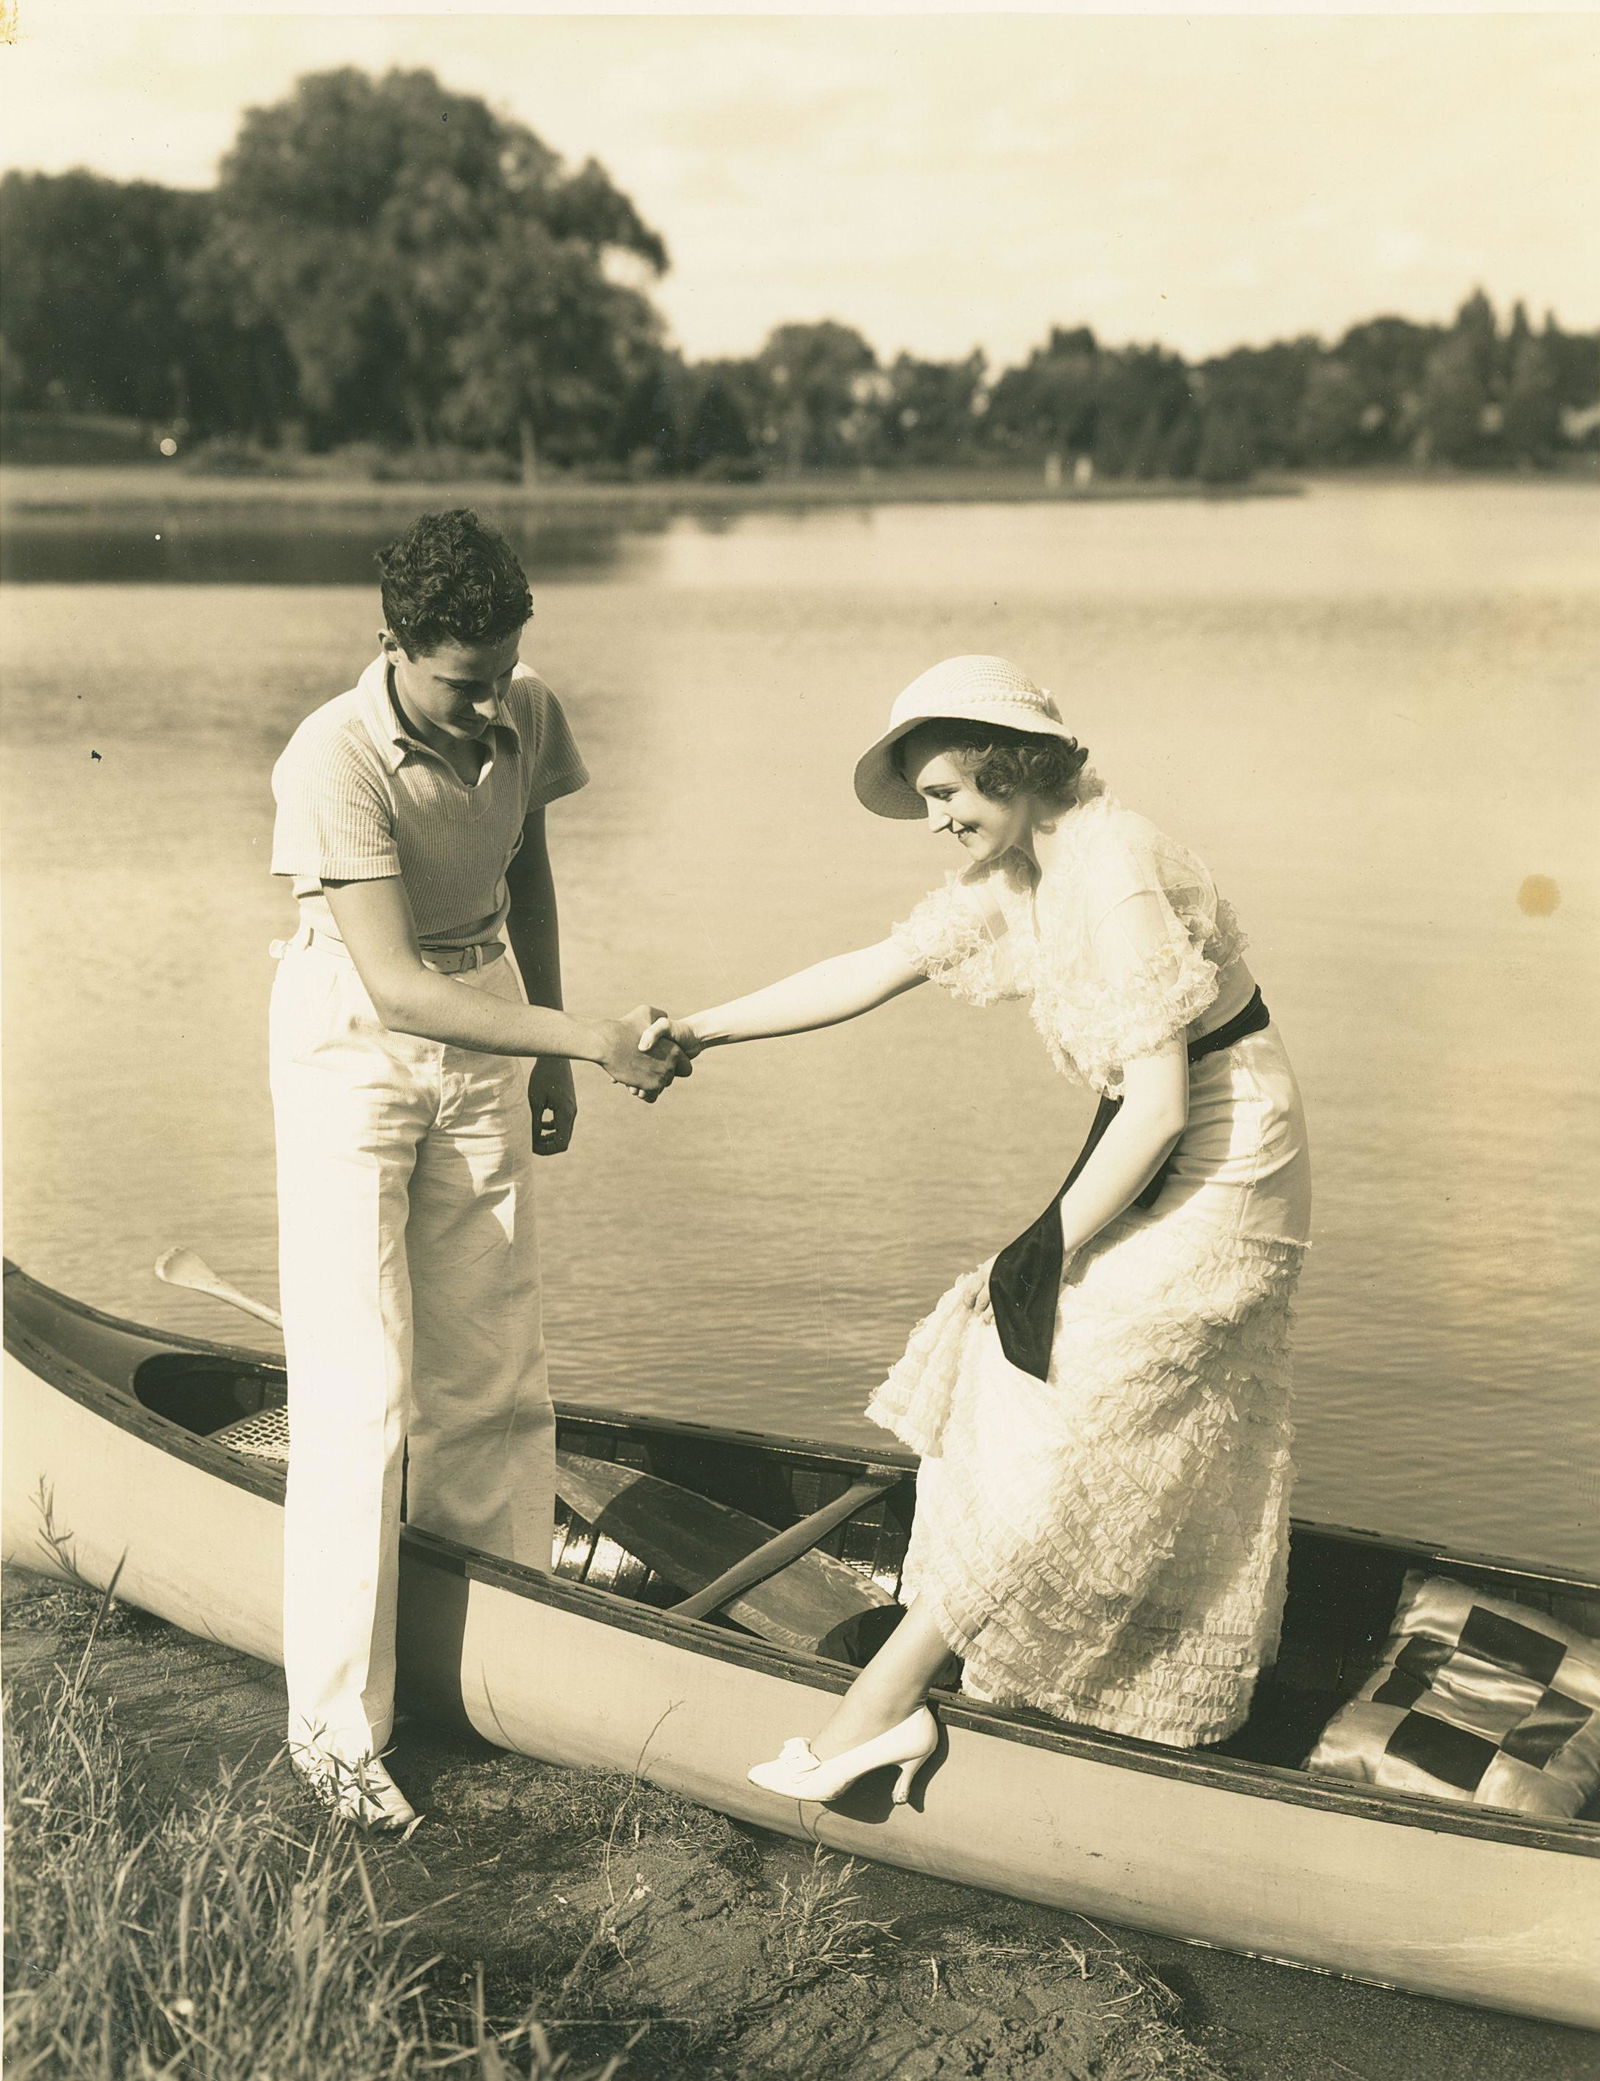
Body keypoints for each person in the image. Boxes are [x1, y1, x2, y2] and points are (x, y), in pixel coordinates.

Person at [647, 653, 1310, 1804]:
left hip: (1228, 1155)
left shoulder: (1112, 868)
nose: (935, 819)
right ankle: (1000, 1680)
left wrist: (1039, 1245)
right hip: (1151, 1138)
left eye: (946, 791)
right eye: (927, 798)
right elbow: (872, 967)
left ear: (1007, 764)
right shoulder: (1023, 867)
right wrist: (696, 1029)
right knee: (1024, 1366)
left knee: (1075, 1391)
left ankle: (880, 1708)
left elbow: (1162, 1105)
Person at [268, 508, 688, 1830]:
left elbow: (529, 876)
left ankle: (503, 1672)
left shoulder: (526, 704)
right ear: (392, 643)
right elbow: (394, 984)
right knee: (363, 1393)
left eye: (502, 669)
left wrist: (551, 1054)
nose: (491, 701)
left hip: (491, 1013)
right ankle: (337, 1738)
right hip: (355, 1038)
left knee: (495, 1364)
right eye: (464, 681)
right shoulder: (331, 757)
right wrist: (583, 1039)